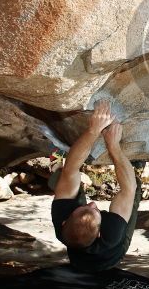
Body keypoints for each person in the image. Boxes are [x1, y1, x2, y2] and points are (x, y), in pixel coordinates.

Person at [50, 99, 141, 272]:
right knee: (134, 189)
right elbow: (128, 190)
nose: (93, 204)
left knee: (63, 176)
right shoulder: (111, 234)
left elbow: (71, 170)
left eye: (85, 207)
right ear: (100, 232)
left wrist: (94, 130)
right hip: (112, 257)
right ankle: (136, 167)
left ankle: (56, 165)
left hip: (77, 256)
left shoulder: (61, 218)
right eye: (97, 211)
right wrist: (113, 145)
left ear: (64, 223)